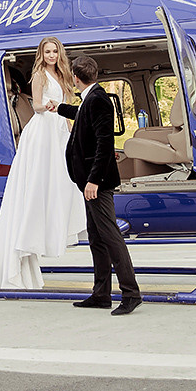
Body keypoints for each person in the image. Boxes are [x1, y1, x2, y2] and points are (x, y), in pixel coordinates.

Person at [0, 37, 87, 289]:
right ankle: (32, 233)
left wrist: (69, 128)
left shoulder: (63, 74)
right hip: (43, 128)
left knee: (64, 181)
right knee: (40, 182)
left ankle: (55, 226)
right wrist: (48, 106)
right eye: (48, 51)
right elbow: (35, 106)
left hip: (59, 128)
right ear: (41, 54)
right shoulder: (39, 74)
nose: (52, 55)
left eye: (55, 50)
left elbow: (67, 107)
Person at [51, 55, 142, 315]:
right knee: (96, 238)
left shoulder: (98, 99)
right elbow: (80, 115)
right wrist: (57, 107)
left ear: (76, 78)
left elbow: (104, 143)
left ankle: (131, 293)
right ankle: (101, 294)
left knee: (111, 236)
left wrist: (93, 180)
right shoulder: (92, 98)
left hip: (96, 184)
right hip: (88, 182)